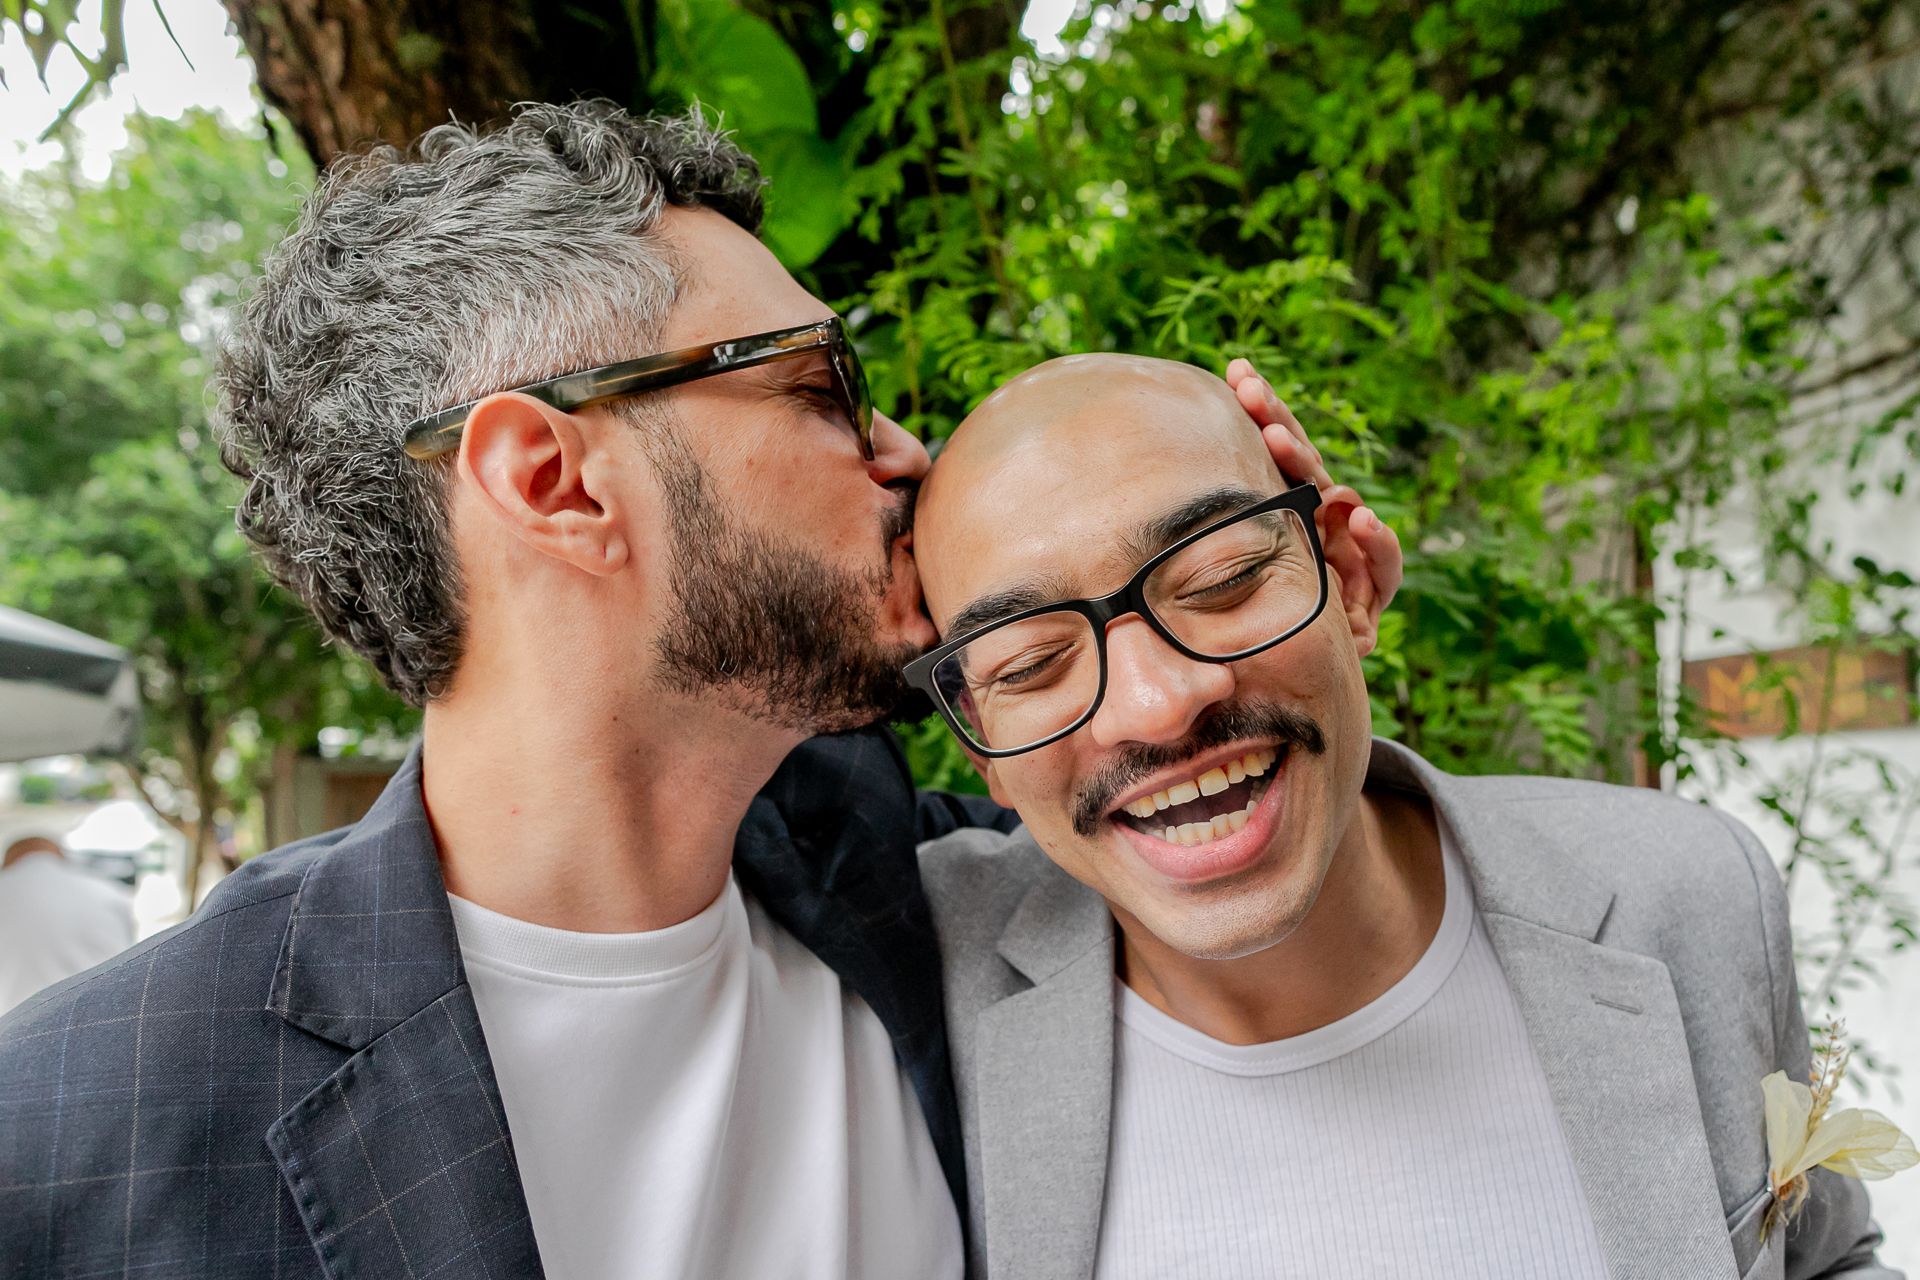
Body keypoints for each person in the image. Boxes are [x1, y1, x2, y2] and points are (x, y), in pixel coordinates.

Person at [0, 105, 1400, 1279]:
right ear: (554, 481)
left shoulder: (936, 895)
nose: (906, 452)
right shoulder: (81, 1131)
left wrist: (1273, 599)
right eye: (822, 385)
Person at [909, 354, 1898, 1280]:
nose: (1158, 703)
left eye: (1223, 579)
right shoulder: (910, 980)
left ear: (1347, 578)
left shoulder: (1687, 892)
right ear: (979, 745)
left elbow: (1827, 1259)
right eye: (1029, 664)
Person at [0, 833, 134, 1016]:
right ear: (63, 858)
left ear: (7, 863)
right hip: (95, 1017)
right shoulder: (108, 891)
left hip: (9, 1023)